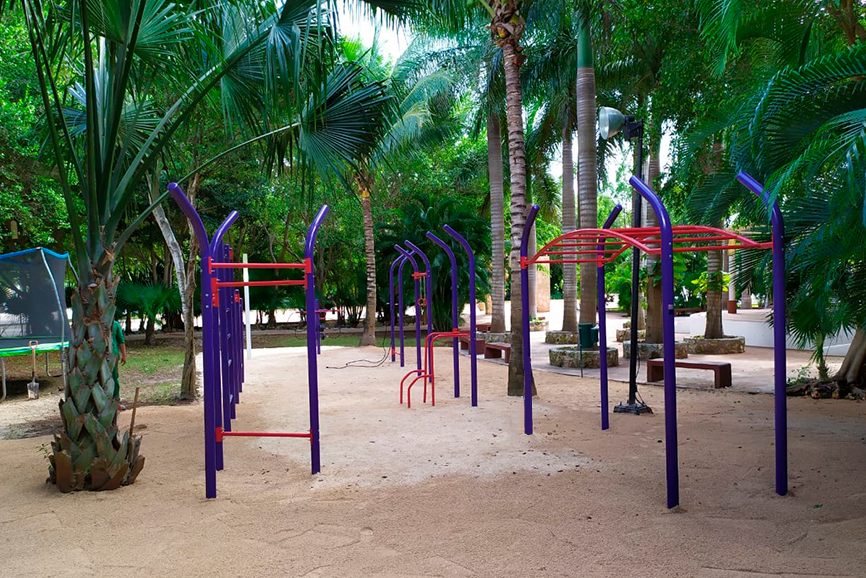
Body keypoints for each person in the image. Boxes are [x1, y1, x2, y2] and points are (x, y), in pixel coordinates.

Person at [112, 319, 128, 410]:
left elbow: (121, 340)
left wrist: (124, 355)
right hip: (98, 356)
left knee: (114, 377)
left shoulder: (115, 324)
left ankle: (116, 401)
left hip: (113, 355)